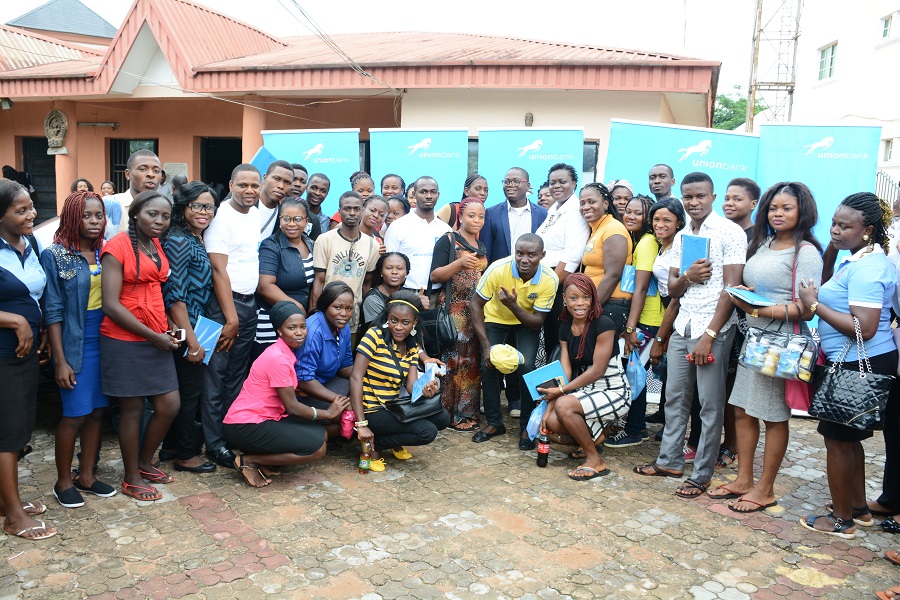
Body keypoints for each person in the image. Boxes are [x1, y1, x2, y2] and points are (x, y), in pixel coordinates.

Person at [706, 182, 822, 512]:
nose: (778, 213)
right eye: (773, 208)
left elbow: (808, 308)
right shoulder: (765, 242)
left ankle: (765, 488)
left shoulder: (806, 252)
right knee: (742, 410)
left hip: (779, 345)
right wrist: (746, 295)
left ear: (803, 211)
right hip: (754, 340)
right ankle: (743, 479)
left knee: (772, 416)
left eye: (787, 208)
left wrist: (756, 308)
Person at [634, 172, 747, 500]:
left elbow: (733, 289)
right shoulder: (682, 237)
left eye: (700, 196)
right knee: (674, 398)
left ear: (712, 197)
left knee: (710, 406)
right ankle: (669, 461)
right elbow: (673, 289)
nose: (694, 202)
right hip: (683, 324)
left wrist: (710, 334)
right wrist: (687, 275)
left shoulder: (730, 232)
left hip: (713, 329)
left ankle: (701, 475)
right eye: (688, 197)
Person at [797, 192, 899, 540]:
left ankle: (842, 521)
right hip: (860, 362)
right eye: (834, 223)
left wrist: (814, 305)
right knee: (850, 439)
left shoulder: (869, 268)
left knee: (838, 441)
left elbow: (865, 327)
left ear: (867, 230)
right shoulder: (861, 259)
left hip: (858, 363)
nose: (835, 231)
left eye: (845, 226)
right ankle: (858, 508)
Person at [100, 190, 181, 501]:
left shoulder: (155, 245)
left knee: (169, 404)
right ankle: (131, 476)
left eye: (164, 216)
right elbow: (111, 304)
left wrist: (169, 326)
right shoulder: (117, 246)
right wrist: (153, 335)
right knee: (132, 410)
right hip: (124, 339)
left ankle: (145, 462)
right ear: (135, 214)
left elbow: (156, 293)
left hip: (156, 334)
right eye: (152, 214)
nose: (159, 221)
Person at [42, 191, 117, 508]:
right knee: (75, 414)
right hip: (75, 342)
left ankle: (87, 475)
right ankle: (63, 481)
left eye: (98, 215)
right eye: (86, 215)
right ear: (73, 217)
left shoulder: (106, 252)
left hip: (106, 340)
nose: (94, 221)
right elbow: (53, 311)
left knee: (98, 412)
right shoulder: (55, 255)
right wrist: (60, 361)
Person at [224, 302, 348, 487]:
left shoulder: (284, 352)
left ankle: (264, 460)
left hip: (266, 418)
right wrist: (329, 413)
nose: (299, 332)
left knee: (321, 435)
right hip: (246, 425)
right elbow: (293, 407)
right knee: (317, 449)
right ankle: (249, 461)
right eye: (292, 328)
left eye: (302, 327)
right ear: (279, 331)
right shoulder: (278, 358)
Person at [0, 180, 56, 539]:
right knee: (8, 435)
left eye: (31, 207)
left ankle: (6, 501)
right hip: (4, 354)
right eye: (20, 210)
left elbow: (39, 291)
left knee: (18, 430)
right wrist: (15, 320)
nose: (31, 214)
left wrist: (44, 329)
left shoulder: (30, 242)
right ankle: (14, 516)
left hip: (26, 354)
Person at [539, 273, 630, 480]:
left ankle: (594, 459)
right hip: (587, 391)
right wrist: (549, 406)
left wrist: (560, 394)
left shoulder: (604, 324)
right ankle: (594, 436)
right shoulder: (565, 327)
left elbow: (597, 370)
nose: (580, 303)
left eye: (586, 297)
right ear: (565, 299)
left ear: (593, 299)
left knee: (564, 407)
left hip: (613, 390)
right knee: (553, 422)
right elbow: (565, 372)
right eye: (574, 298)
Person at [470, 234, 558, 448]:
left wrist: (513, 305)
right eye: (520, 253)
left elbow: (537, 323)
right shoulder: (498, 269)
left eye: (531, 254)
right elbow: (475, 305)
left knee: (527, 367)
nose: (524, 259)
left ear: (542, 255)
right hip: (496, 319)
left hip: (526, 321)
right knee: (489, 364)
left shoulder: (549, 279)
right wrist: (486, 347)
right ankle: (494, 423)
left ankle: (527, 428)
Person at [202, 163, 262, 469]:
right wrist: (230, 317)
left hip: (248, 305)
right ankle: (213, 444)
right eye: (243, 186)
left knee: (237, 376)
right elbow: (218, 269)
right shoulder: (220, 217)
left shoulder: (254, 214)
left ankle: (230, 434)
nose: (249, 191)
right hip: (223, 307)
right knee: (215, 376)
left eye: (254, 186)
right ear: (230, 184)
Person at [350, 291, 447, 472]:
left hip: (394, 406)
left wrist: (427, 389)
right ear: (387, 318)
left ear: (414, 322)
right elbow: (356, 377)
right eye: (394, 320)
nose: (399, 327)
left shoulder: (411, 345)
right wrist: (361, 424)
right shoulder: (375, 335)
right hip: (373, 410)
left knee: (442, 418)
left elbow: (411, 387)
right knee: (427, 432)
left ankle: (390, 440)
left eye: (405, 322)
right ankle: (377, 444)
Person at [160, 181, 219, 474]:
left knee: (188, 391)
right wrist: (192, 340)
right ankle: (185, 454)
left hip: (200, 325)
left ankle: (172, 446)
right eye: (197, 205)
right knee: (189, 394)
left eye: (209, 206)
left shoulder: (196, 237)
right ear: (183, 207)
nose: (204, 212)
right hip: (188, 327)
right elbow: (175, 294)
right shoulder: (179, 241)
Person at [606, 194, 664, 448]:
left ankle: (635, 429)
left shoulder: (648, 242)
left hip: (647, 321)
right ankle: (633, 423)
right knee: (632, 372)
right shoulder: (635, 240)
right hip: (639, 319)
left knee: (635, 375)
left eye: (638, 213)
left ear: (648, 218)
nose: (630, 216)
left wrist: (630, 328)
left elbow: (640, 289)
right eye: (628, 211)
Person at [429, 197, 488, 431]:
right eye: (471, 215)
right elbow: (435, 275)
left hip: (476, 311)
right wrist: (460, 263)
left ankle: (468, 412)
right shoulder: (448, 240)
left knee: (472, 364)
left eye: (481, 216)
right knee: (453, 363)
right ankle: (447, 414)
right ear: (460, 217)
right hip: (453, 310)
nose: (476, 220)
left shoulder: (480, 245)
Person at [717, 177, 762, 468]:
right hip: (721, 316)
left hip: (747, 321)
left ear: (753, 204)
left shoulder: (758, 236)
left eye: (737, 199)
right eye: (727, 197)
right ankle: (724, 439)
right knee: (721, 385)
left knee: (737, 386)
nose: (730, 203)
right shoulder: (721, 231)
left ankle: (733, 445)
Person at [536, 164, 591, 360]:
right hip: (545, 281)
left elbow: (571, 258)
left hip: (558, 284)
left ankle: (560, 388)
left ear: (574, 184)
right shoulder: (554, 209)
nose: (556, 186)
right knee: (549, 342)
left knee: (557, 343)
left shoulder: (576, 211)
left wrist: (547, 288)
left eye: (562, 182)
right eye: (553, 183)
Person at [310, 191, 380, 336]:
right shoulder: (325, 240)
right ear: (339, 211)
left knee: (347, 355)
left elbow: (367, 284)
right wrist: (314, 316)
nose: (352, 213)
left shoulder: (373, 245)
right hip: (326, 312)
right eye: (347, 209)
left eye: (357, 209)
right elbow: (319, 280)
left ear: (362, 211)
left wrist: (363, 319)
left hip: (352, 316)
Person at [645, 198, 688, 431]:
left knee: (675, 374)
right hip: (666, 306)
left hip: (677, 308)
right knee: (668, 369)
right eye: (656, 219)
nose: (660, 224)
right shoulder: (662, 244)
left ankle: (672, 428)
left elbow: (680, 292)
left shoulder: (681, 245)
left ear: (679, 222)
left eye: (667, 220)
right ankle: (664, 416)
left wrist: (665, 332)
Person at [255, 197, 314, 357]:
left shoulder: (311, 244)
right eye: (286, 218)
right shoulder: (271, 246)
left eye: (297, 219)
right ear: (279, 219)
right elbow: (265, 287)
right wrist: (297, 308)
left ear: (306, 220)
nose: (291, 224)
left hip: (298, 325)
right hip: (271, 321)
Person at [579, 182, 633, 335]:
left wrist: (591, 309)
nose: (586, 206)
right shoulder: (598, 228)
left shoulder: (613, 230)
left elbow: (613, 275)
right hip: (601, 303)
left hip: (610, 305)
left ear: (606, 203)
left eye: (591, 201)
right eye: (582, 203)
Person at [384, 176, 452, 293]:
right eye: (423, 192)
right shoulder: (398, 226)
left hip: (437, 295)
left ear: (438, 195)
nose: (429, 196)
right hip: (405, 294)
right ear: (414, 194)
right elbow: (388, 264)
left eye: (433, 192)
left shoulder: (445, 229)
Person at [295, 282, 355, 408]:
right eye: (338, 307)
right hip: (307, 393)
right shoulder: (313, 332)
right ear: (325, 306)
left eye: (349, 309)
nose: (344, 314)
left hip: (328, 382)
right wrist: (341, 400)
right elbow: (304, 381)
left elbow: (345, 366)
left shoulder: (344, 328)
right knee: (351, 410)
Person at [481, 167, 548, 266]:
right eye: (507, 182)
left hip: (534, 275)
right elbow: (485, 253)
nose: (510, 185)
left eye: (516, 181)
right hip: (501, 277)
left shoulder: (543, 214)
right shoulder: (491, 214)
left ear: (528, 186)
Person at [107, 149, 162, 235]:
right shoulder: (111, 204)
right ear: (128, 174)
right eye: (143, 169)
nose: (151, 174)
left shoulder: (163, 208)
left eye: (156, 171)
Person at [362, 252, 413, 332]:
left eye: (399, 268)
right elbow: (379, 331)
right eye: (389, 268)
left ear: (406, 272)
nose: (394, 272)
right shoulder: (372, 299)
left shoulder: (408, 295)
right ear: (381, 272)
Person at [258, 160, 293, 239]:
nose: (281, 186)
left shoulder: (284, 215)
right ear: (265, 178)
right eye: (277, 179)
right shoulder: (244, 204)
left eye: (287, 182)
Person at [305, 173, 331, 239]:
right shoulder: (293, 214)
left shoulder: (328, 223)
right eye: (314, 188)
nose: (317, 193)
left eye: (323, 191)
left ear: (327, 194)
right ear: (306, 187)